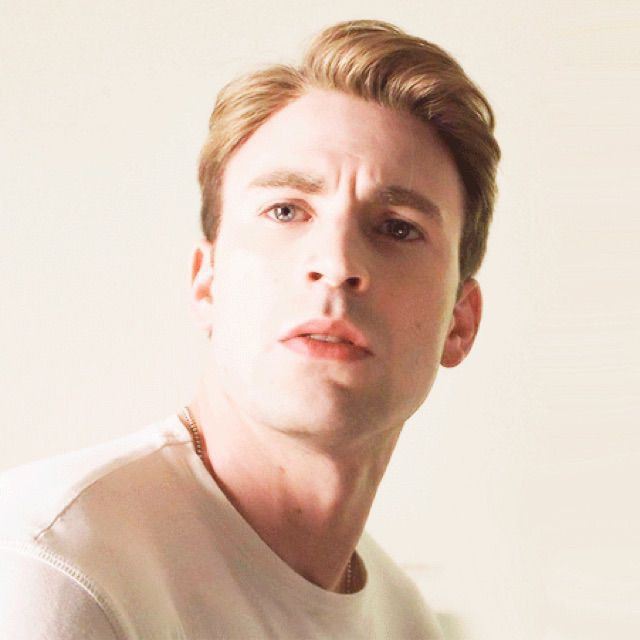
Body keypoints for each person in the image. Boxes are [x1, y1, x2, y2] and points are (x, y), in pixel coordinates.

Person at [0, 19, 500, 639]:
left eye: (398, 227)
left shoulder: (406, 622)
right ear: (206, 282)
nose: (337, 263)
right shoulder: (51, 571)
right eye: (285, 210)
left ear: (460, 322)